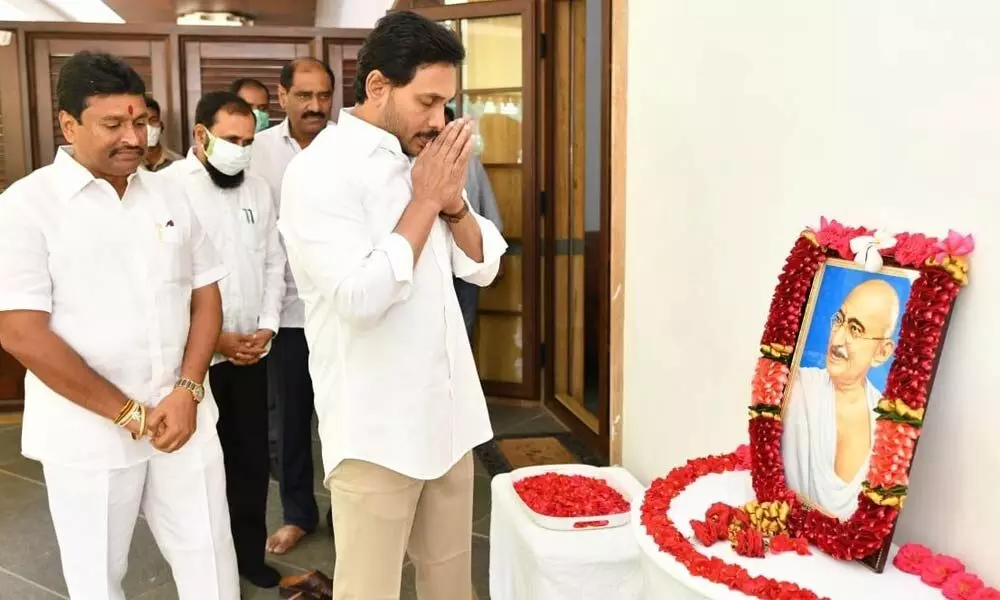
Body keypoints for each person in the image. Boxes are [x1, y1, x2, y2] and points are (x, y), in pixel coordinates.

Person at [279, 12, 507, 599]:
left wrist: (452, 206)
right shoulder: (319, 172)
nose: (439, 120)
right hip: (375, 428)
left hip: (449, 416)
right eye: (427, 101)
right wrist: (426, 202)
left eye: (446, 104)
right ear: (378, 86)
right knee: (369, 588)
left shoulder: (424, 158)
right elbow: (359, 298)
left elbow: (484, 266)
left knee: (450, 579)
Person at [0, 51, 239, 599]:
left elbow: (206, 294)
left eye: (141, 122)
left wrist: (187, 389)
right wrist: (128, 413)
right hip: (89, 433)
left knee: (211, 563)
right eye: (113, 124)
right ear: (68, 124)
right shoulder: (26, 207)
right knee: (97, 580)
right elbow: (20, 333)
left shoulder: (168, 191)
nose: (134, 137)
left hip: (184, 418)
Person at [159, 91, 286, 588]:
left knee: (252, 463)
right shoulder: (166, 189)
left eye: (248, 140)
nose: (240, 149)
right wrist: (217, 342)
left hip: (251, 356)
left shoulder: (258, 189)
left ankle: (250, 559)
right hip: (194, 364)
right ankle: (209, 571)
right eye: (230, 140)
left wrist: (268, 326)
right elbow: (166, 283)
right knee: (201, 470)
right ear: (200, 135)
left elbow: (274, 261)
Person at [248, 57, 336, 555]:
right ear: (281, 97)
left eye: (323, 95)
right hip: (284, 315)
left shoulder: (348, 149)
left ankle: (349, 515)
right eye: (304, 95)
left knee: (344, 417)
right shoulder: (256, 152)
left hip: (341, 310)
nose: (315, 105)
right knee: (290, 422)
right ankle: (299, 513)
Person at [782, 278, 901, 520]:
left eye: (855, 330)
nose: (836, 340)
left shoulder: (889, 426)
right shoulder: (797, 387)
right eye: (838, 321)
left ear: (882, 353)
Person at [444, 105, 504, 338]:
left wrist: (495, 257)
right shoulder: (412, 161)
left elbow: (487, 204)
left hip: (468, 257)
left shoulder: (470, 163)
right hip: (434, 262)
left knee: (465, 328)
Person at [141, 95, 182, 172]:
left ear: (161, 127)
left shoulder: (179, 162)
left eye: (153, 120)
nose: (148, 127)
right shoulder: (129, 165)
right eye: (142, 122)